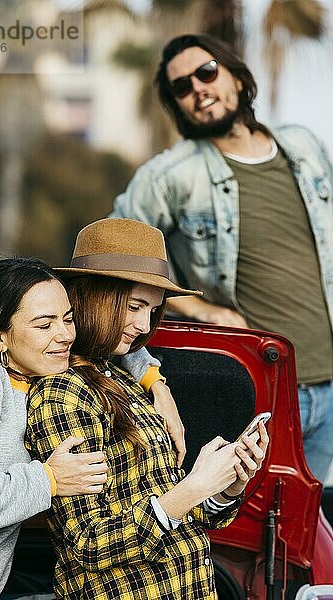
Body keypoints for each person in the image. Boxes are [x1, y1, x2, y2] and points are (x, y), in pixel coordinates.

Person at [111, 33, 333, 484]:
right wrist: (198, 308)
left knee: (309, 537)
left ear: (235, 75)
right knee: (243, 536)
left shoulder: (304, 147)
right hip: (255, 387)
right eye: (182, 87)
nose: (198, 89)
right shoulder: (170, 174)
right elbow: (114, 257)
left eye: (207, 72)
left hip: (329, 384)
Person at [26, 218, 268, 599]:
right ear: (95, 297)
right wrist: (192, 487)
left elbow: (174, 510)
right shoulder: (63, 394)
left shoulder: (121, 376)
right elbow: (88, 543)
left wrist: (226, 486)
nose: (143, 325)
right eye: (134, 306)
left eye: (153, 310)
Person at [0, 257, 178, 600]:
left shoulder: (38, 369)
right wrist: (47, 480)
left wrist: (156, 382)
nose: (64, 335)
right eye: (44, 324)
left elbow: (112, 337)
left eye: (68, 319)